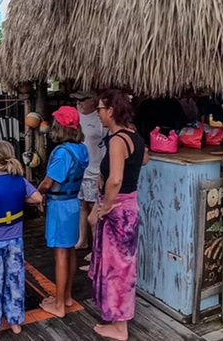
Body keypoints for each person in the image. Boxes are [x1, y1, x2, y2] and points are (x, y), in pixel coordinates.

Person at [89, 89, 148, 341]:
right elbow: (144, 160)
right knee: (122, 266)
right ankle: (115, 317)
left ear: (111, 110)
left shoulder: (116, 140)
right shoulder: (134, 135)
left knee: (118, 269)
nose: (99, 114)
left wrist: (106, 206)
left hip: (118, 210)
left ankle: (120, 327)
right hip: (130, 207)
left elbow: (115, 179)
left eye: (100, 109)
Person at [0, 140, 44, 341]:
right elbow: (38, 198)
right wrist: (22, 199)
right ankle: (15, 322)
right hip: (15, 241)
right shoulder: (20, 180)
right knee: (15, 280)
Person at [38, 106, 89, 318]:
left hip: (59, 206)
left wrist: (35, 194)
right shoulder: (82, 149)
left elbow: (49, 182)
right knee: (69, 250)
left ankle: (58, 305)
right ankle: (66, 296)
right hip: (73, 202)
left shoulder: (62, 152)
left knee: (60, 253)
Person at [72, 91, 106, 272]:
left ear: (93, 101)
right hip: (81, 170)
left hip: (95, 170)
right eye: (76, 100)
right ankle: (82, 239)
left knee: (95, 211)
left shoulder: (100, 119)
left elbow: (108, 144)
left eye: (82, 100)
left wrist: (103, 169)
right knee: (82, 205)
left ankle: (97, 249)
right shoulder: (76, 117)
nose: (78, 103)